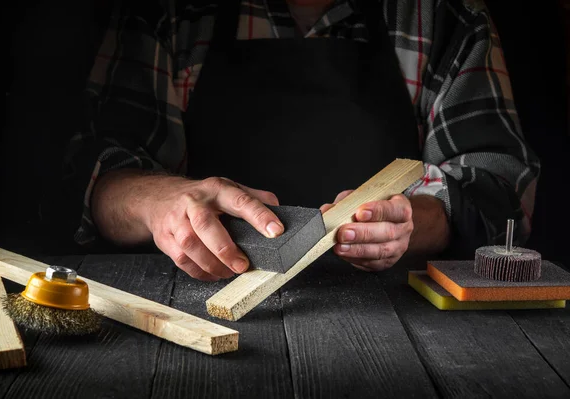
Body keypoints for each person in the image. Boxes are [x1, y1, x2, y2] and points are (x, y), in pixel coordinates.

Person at [62, 0, 540, 281]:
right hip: (197, 300)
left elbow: (500, 194)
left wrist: (415, 222)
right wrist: (159, 202)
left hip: (401, 316)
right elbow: (91, 173)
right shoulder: (173, 12)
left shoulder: (441, 15)